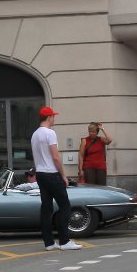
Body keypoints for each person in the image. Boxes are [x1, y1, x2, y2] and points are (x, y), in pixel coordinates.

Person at [32, 107, 80, 250]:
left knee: (46, 208)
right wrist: (63, 175)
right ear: (49, 117)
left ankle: (49, 243)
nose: (54, 118)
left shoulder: (35, 134)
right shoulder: (50, 133)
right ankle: (64, 241)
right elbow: (55, 157)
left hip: (40, 173)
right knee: (65, 206)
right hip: (52, 173)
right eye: (53, 116)